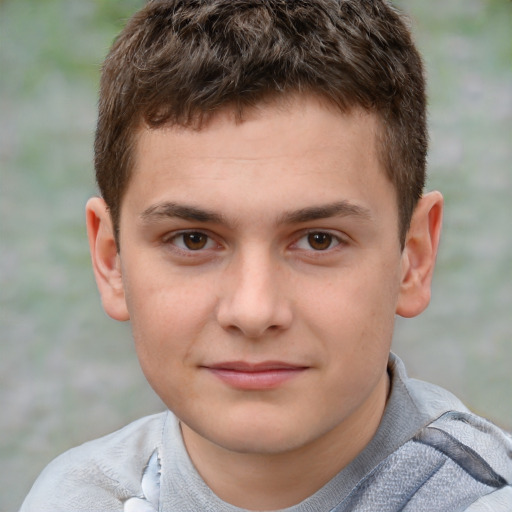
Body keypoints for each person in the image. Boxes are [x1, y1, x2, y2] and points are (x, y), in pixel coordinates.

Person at [20, 0, 512, 510]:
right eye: (193, 240)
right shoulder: (72, 496)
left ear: (413, 256)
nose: (254, 312)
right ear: (110, 260)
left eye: (319, 240)